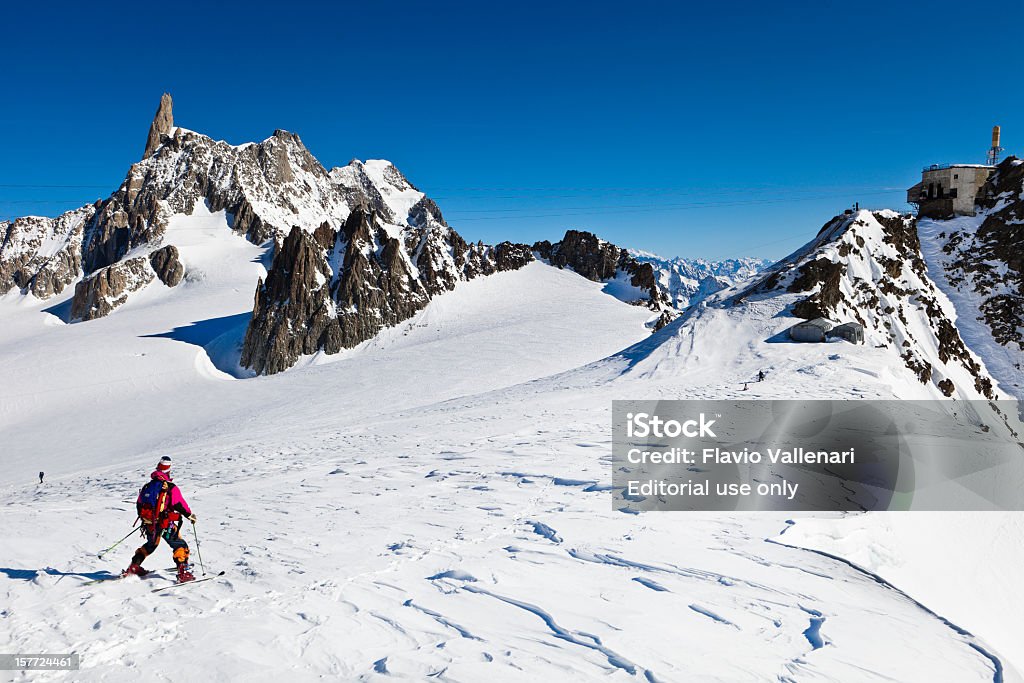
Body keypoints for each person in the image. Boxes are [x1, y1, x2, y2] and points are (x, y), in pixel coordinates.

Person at [123, 456, 197, 583]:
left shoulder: (148, 486)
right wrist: (189, 515)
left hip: (149, 523)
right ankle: (183, 572)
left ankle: (134, 567)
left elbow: (139, 504)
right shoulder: (170, 487)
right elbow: (179, 504)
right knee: (179, 545)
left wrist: (147, 519)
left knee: (151, 545)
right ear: (168, 471)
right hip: (165, 523)